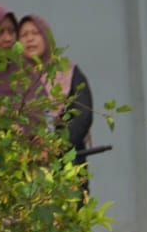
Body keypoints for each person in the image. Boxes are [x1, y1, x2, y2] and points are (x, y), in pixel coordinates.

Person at [16, 14, 92, 158]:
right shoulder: (14, 79)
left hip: (66, 163)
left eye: (36, 33)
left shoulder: (68, 72)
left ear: (46, 36)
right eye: (23, 35)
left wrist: (55, 146)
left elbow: (83, 115)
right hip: (27, 166)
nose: (29, 39)